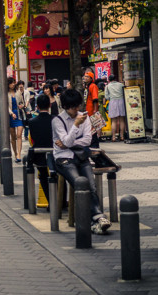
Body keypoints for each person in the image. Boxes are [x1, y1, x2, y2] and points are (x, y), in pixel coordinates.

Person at [52, 89, 112, 235]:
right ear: (66, 106)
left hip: (81, 157)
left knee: (91, 185)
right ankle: (96, 218)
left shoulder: (84, 117)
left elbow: (87, 140)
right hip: (63, 158)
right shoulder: (57, 121)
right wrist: (76, 126)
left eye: (78, 106)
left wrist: (68, 142)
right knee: (79, 182)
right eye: (73, 107)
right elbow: (65, 141)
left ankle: (96, 218)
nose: (76, 110)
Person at [27, 94, 54, 203]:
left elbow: (32, 138)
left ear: (37, 106)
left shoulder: (32, 122)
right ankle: (60, 202)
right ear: (49, 105)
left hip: (39, 155)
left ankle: (50, 201)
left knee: (43, 176)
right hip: (55, 154)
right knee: (58, 176)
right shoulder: (55, 120)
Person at [105, 74, 126, 141]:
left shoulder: (107, 86)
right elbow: (124, 93)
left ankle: (113, 137)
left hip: (113, 102)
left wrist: (111, 97)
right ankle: (122, 136)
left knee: (113, 121)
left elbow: (106, 97)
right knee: (121, 119)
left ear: (109, 80)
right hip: (121, 101)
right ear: (115, 78)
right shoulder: (121, 85)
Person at [8, 77, 24, 162]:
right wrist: (11, 113)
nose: (13, 84)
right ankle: (15, 152)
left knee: (19, 135)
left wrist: (21, 105)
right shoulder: (6, 93)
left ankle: (19, 154)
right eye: (11, 83)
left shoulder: (18, 92)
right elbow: (6, 106)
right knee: (13, 137)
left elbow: (22, 102)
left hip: (19, 115)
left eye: (14, 83)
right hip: (11, 116)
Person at [83, 72, 100, 147]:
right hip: (87, 110)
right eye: (85, 76)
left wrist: (95, 110)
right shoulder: (87, 87)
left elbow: (95, 99)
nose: (85, 78)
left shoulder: (93, 86)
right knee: (90, 129)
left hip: (92, 111)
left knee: (93, 129)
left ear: (91, 78)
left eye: (87, 77)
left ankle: (94, 145)